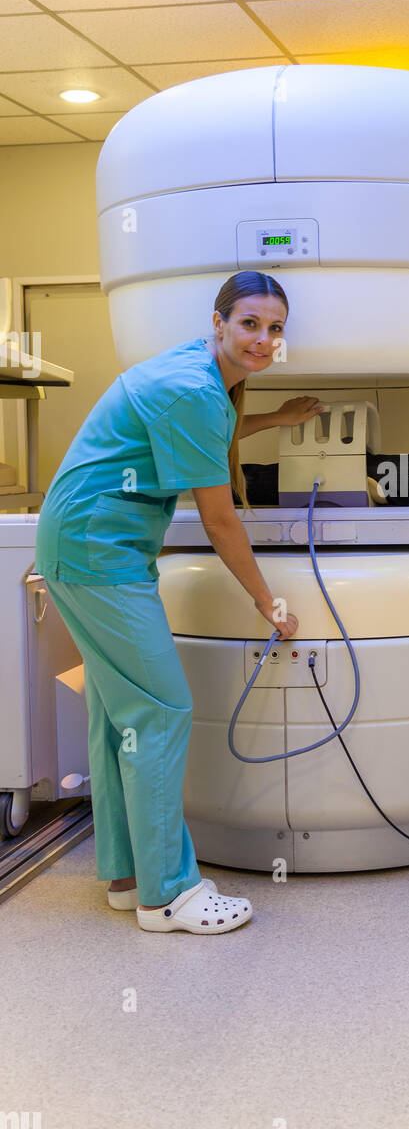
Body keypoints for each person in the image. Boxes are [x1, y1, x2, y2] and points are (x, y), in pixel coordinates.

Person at [34, 271, 322, 935]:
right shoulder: (194, 387)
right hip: (97, 551)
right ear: (218, 321)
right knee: (162, 710)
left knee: (119, 717)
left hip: (87, 545)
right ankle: (168, 895)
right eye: (249, 323)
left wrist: (277, 419)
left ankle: (128, 874)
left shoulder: (198, 376)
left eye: (274, 328)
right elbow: (220, 521)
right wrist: (268, 602)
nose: (262, 338)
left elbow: (195, 442)